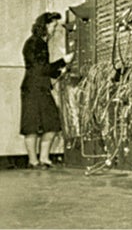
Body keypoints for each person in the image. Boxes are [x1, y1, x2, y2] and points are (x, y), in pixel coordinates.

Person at [20, 12, 74, 169]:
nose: (54, 29)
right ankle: (33, 161)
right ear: (44, 25)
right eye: (52, 25)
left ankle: (43, 158)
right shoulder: (34, 43)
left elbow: (43, 69)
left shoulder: (40, 43)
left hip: (40, 88)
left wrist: (58, 72)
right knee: (32, 126)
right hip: (33, 89)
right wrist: (63, 61)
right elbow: (40, 69)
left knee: (51, 124)